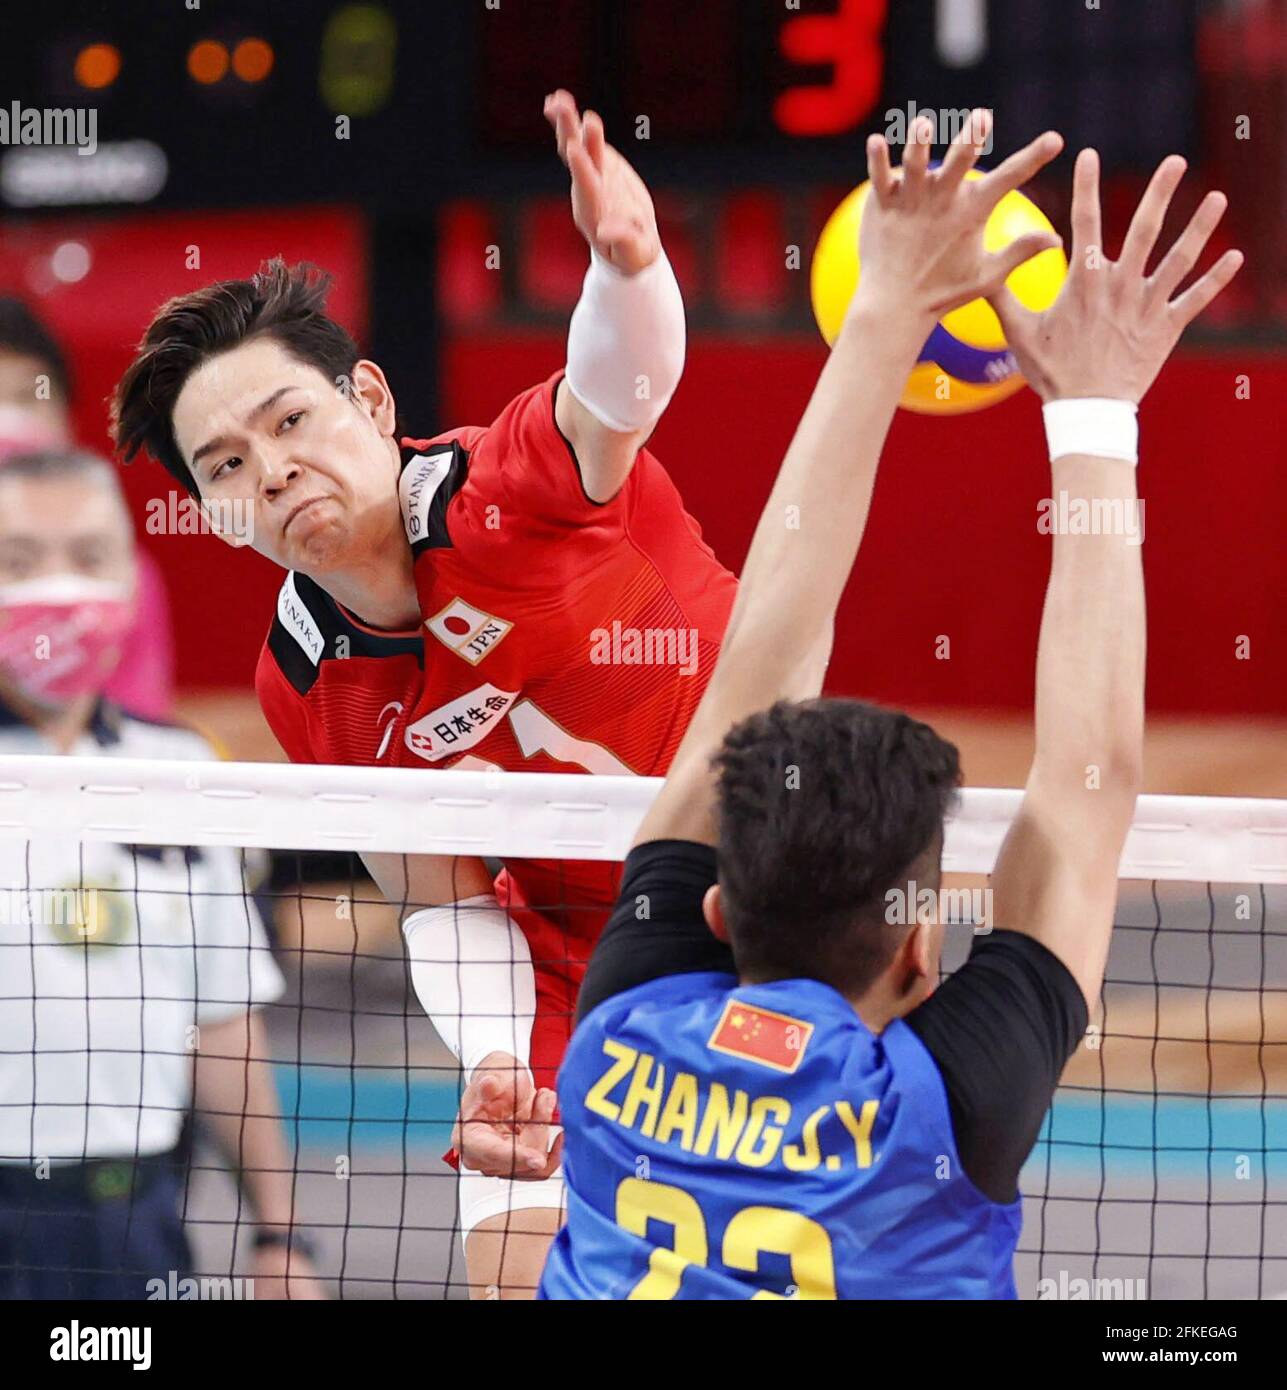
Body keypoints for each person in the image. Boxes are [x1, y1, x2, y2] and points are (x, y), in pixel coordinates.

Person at [539, 115, 1243, 1298]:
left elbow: (766, 669)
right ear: (921, 942)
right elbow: (1086, 785)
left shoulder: (614, 1038)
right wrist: (1088, 405)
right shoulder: (937, 1110)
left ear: (718, 902)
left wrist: (886, 312)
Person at [109, 92, 737, 1296]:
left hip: (770, 920)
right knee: (508, 1277)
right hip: (564, 965)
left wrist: (630, 266)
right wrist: (501, 1055)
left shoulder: (513, 486)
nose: (272, 469)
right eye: (225, 467)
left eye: (290, 419)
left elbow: (617, 389)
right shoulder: (300, 684)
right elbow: (440, 896)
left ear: (375, 404)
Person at [0, 446, 325, 1299]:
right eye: (20, 564)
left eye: (90, 558)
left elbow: (223, 1026)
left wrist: (280, 1236)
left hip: (130, 1214)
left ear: (130, 580)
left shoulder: (180, 777)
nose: (61, 590)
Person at [0, 296, 176, 721]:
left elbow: (134, 730)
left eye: (28, 397)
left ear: (67, 419)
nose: (8, 420)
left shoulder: (125, 576)